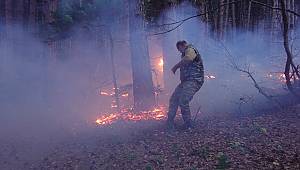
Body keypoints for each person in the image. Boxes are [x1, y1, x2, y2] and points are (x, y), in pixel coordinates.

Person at [167, 40, 204, 130]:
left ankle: (188, 124)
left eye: (179, 49)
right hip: (186, 82)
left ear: (182, 46)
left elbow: (189, 58)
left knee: (183, 100)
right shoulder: (186, 51)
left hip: (194, 80)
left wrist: (176, 66)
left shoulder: (190, 49)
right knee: (174, 99)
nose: (180, 51)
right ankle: (169, 122)